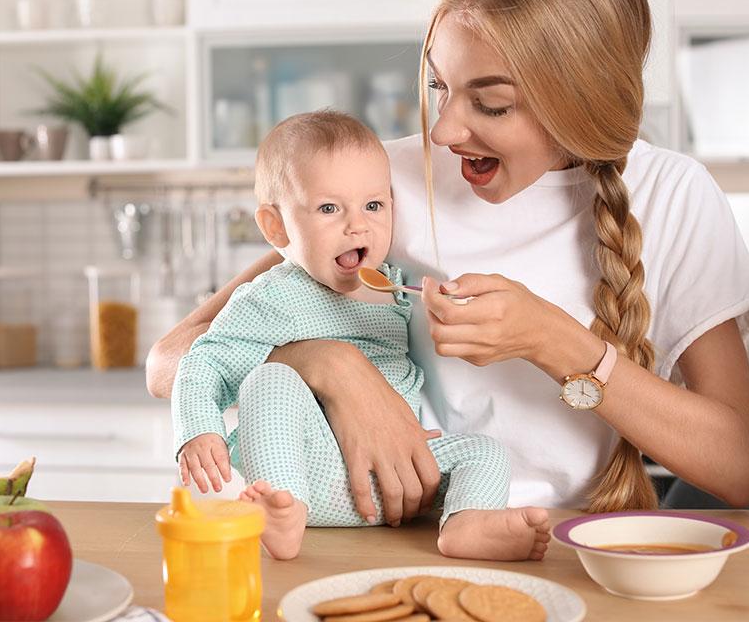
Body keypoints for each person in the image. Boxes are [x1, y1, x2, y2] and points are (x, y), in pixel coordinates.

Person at [149, 0, 749, 525]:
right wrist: (332, 366)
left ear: (583, 97)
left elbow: (738, 468)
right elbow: (171, 362)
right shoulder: (378, 185)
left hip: (572, 547)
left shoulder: (673, 196)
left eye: (490, 104)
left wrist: (555, 342)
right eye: (440, 86)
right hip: (393, 539)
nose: (444, 131)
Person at [172, 110, 549, 561]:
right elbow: (204, 361)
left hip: (402, 478)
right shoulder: (274, 297)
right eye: (329, 209)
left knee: (484, 451)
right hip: (315, 476)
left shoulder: (394, 287)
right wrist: (198, 431)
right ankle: (281, 510)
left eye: (374, 206)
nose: (357, 225)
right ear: (277, 227)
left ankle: (467, 523)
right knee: (266, 380)